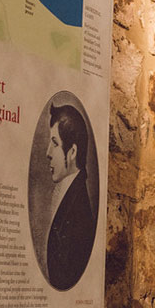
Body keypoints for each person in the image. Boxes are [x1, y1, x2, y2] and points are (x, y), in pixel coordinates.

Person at [41, 100, 95, 290]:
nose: (48, 152)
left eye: (54, 143)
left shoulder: (78, 210)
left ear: (72, 152)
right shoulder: (70, 195)